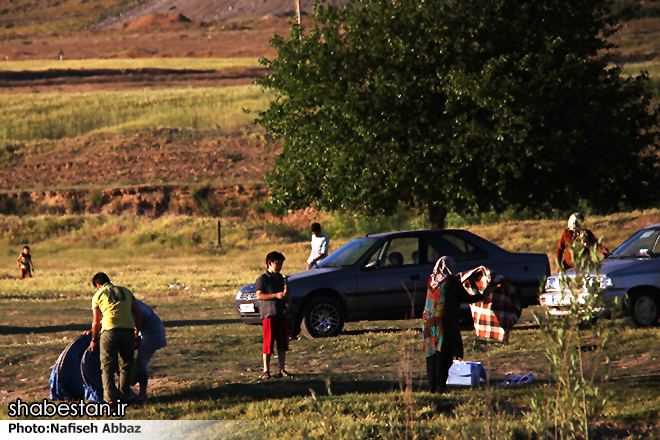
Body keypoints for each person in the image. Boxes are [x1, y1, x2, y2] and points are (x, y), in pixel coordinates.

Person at [422, 256, 497, 393]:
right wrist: (484, 294)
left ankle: (432, 387)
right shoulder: (450, 280)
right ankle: (440, 387)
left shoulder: (431, 279)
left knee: (432, 353)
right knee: (444, 353)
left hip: (428, 320)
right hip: (444, 320)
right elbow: (466, 298)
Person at [89, 272, 142, 404]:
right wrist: (137, 332)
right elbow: (138, 313)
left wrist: (94, 339)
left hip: (109, 331)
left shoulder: (99, 295)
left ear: (98, 285)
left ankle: (110, 400)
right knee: (126, 364)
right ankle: (125, 396)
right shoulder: (126, 291)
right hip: (128, 330)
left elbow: (96, 322)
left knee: (107, 366)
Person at [255, 251, 292, 379]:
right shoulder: (263, 279)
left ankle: (282, 369)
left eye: (282, 263)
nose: (280, 266)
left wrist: (287, 298)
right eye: (278, 263)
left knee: (283, 342)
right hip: (269, 314)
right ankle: (266, 370)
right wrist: (276, 295)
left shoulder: (282, 279)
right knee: (268, 342)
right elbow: (259, 295)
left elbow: (287, 298)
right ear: (269, 263)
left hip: (282, 314)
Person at [134, 300, 166, 401]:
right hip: (147, 331)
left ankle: (142, 393)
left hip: (152, 333)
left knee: (141, 363)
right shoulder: (131, 301)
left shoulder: (127, 307)